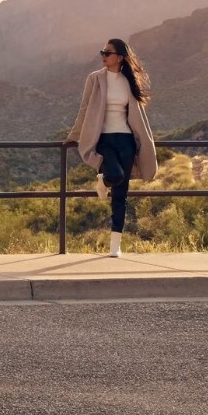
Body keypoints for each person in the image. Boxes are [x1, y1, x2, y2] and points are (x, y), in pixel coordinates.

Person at [64, 38, 158, 258]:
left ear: (120, 57)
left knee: (121, 194)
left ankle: (115, 244)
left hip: (126, 139)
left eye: (108, 53)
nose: (103, 56)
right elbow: (84, 109)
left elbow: (137, 114)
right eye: (103, 52)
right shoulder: (95, 79)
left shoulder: (128, 81)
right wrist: (74, 135)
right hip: (104, 139)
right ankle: (103, 178)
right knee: (115, 175)